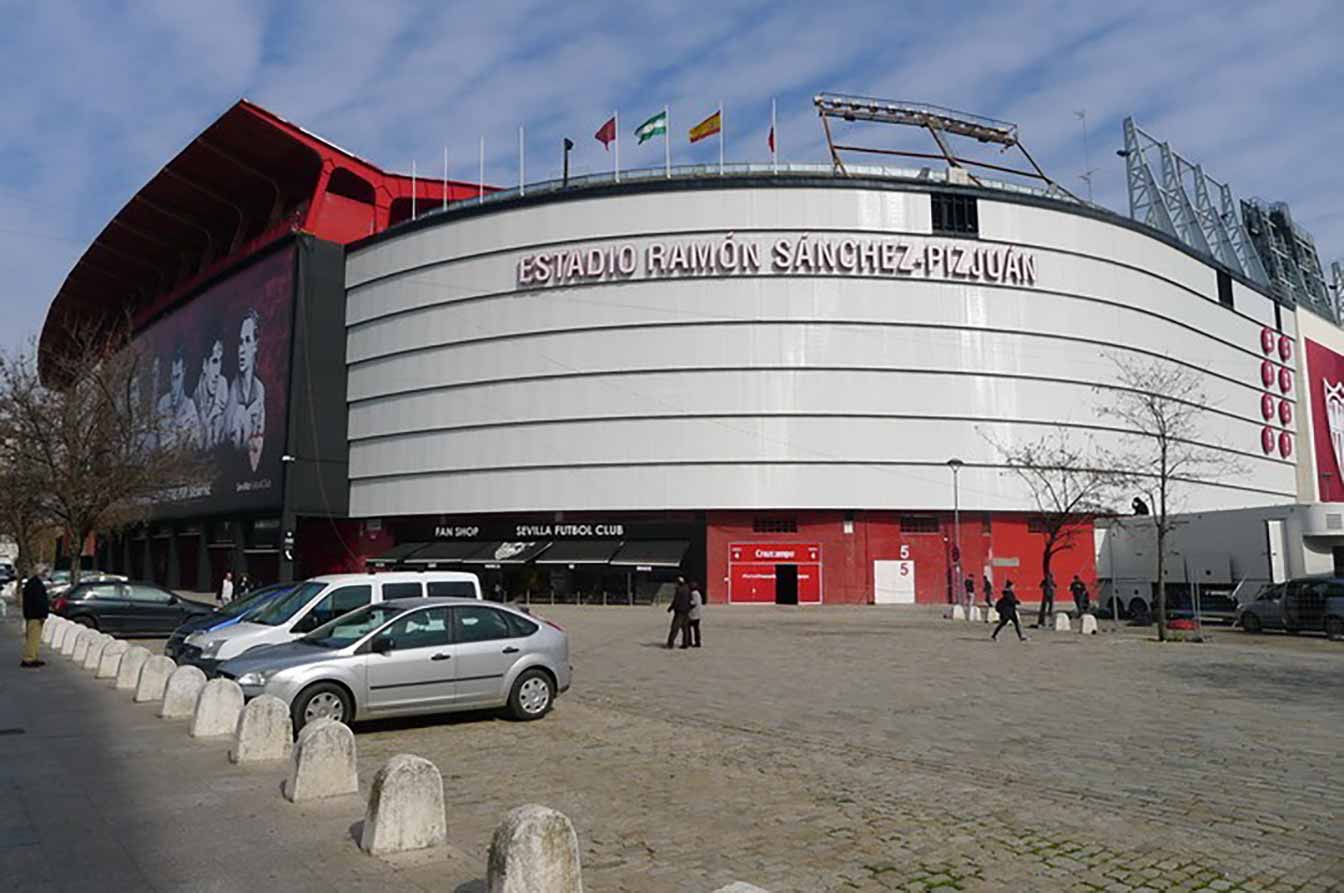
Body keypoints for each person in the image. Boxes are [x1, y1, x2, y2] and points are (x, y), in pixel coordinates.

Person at [226, 309, 267, 473]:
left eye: (247, 340)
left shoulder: (260, 390)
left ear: (256, 345)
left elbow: (258, 445)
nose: (241, 349)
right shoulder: (231, 390)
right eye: (240, 342)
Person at [20, 567, 49, 668]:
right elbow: (38, 601)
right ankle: (29, 659)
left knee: (34, 638)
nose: (46, 574)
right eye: (45, 572)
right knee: (33, 638)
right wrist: (41, 614)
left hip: (32, 615)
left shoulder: (32, 583)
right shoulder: (36, 585)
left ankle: (34, 656)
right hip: (35, 615)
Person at [666, 576, 692, 649]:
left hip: (679, 611)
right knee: (685, 628)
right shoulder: (687, 589)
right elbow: (690, 599)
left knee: (675, 627)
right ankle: (686, 643)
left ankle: (670, 643)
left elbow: (676, 601)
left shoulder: (679, 590)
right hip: (686, 611)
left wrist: (671, 608)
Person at [687, 581, 704, 648]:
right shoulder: (698, 593)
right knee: (696, 629)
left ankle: (691, 641)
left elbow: (693, 603)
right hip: (697, 614)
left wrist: (687, 603)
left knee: (689, 628)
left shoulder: (694, 594)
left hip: (694, 615)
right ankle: (696, 642)